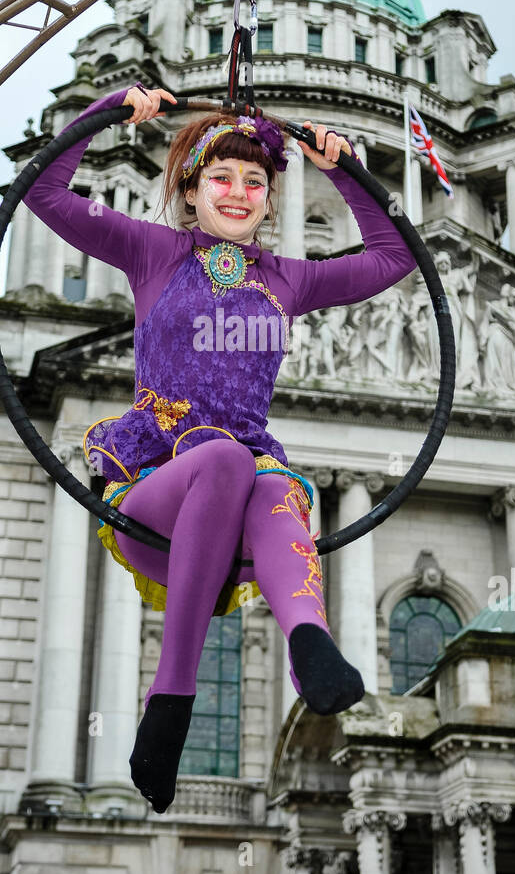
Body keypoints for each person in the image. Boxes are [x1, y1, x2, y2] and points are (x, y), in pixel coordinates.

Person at [23, 82, 418, 812]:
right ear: (190, 187)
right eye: (221, 178)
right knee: (232, 459)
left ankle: (309, 646)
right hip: (154, 500)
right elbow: (43, 191)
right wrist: (109, 109)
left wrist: (344, 172)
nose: (238, 192)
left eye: (254, 182)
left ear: (270, 200)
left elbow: (395, 256)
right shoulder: (153, 250)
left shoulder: (286, 279)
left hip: (241, 524)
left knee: (273, 483)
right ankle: (170, 694)